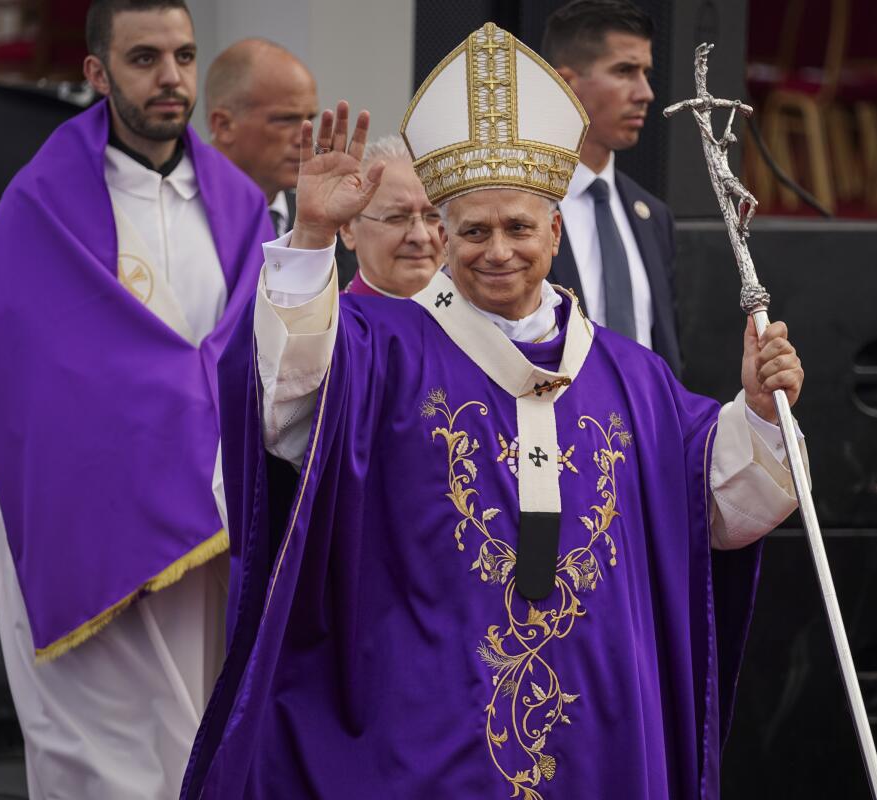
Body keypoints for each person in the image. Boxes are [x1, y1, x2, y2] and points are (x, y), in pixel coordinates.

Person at [184, 23, 808, 799]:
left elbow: (720, 508)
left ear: (555, 229)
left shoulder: (631, 376)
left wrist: (759, 412)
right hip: (427, 730)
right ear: (445, 236)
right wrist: (311, 238)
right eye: (474, 231)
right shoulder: (382, 346)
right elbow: (285, 410)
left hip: (601, 731)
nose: (498, 250)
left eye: (519, 228)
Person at [0, 0, 270, 796]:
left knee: (197, 737)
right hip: (83, 520)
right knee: (97, 760)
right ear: (96, 72)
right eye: (144, 58)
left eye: (184, 56)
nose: (172, 78)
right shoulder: (40, 205)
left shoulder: (241, 208)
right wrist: (100, 447)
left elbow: (264, 359)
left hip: (204, 524)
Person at [542, 0, 682, 374]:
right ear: (565, 84)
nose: (645, 92)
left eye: (646, 73)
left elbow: (667, 357)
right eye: (624, 71)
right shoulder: (518, 210)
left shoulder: (654, 216)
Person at [206, 38, 359, 283]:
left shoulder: (326, 226)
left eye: (310, 119)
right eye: (285, 120)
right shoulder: (183, 217)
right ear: (224, 125)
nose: (305, 138)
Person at [337, 134, 443, 296]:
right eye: (396, 217)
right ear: (348, 230)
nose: (420, 236)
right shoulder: (330, 312)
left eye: (434, 216)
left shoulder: (478, 309)